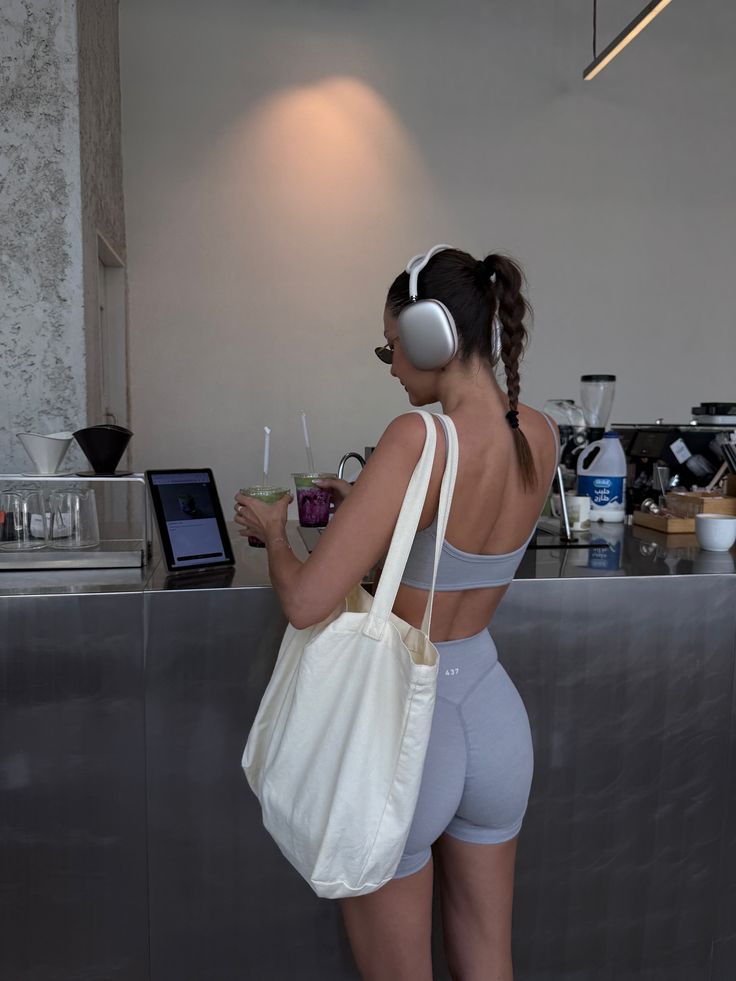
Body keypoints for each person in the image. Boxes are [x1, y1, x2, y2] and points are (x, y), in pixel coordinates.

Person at [234, 246, 559, 981]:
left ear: (429, 335)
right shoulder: (539, 432)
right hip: (493, 717)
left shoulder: (417, 438)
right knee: (490, 962)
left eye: (391, 346)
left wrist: (274, 535)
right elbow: (455, 546)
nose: (390, 365)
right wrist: (373, 508)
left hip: (408, 723)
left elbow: (306, 603)